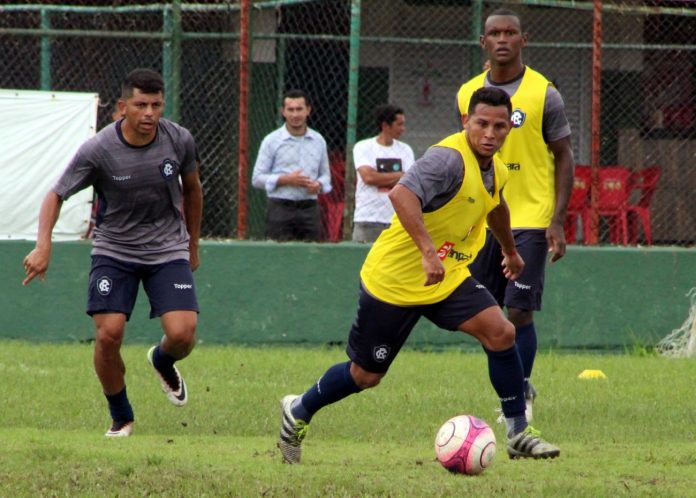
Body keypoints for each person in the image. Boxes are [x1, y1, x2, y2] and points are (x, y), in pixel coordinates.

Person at [277, 87, 561, 464]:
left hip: (447, 276)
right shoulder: (446, 159)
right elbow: (401, 195)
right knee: (366, 375)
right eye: (481, 124)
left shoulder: (497, 166)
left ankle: (517, 431)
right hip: (395, 281)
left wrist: (510, 251)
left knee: (502, 332)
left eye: (498, 126)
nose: (490, 133)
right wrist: (428, 253)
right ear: (465, 122)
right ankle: (299, 410)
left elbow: (496, 205)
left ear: (509, 127)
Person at [22, 68, 203, 437]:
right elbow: (56, 194)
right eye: (140, 105)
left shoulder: (179, 140)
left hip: (167, 247)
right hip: (114, 250)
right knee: (108, 335)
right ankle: (121, 416)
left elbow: (193, 190)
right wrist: (44, 245)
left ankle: (162, 359)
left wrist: (192, 243)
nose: (149, 113)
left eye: (156, 104)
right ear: (123, 106)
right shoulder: (99, 149)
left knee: (183, 334)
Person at [456, 8, 574, 421]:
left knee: (519, 310)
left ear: (524, 41)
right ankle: (516, 381)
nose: (502, 39)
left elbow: (564, 156)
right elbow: (466, 156)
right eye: (494, 33)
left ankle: (519, 395)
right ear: (483, 42)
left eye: (511, 32)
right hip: (486, 217)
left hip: (531, 217)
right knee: (485, 314)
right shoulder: (468, 93)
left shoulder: (545, 94)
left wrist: (557, 219)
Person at [252, 89, 332, 242]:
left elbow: (326, 176)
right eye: (291, 110)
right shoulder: (271, 141)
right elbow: (257, 178)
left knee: (311, 255)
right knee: (278, 256)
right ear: (283, 112)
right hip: (280, 207)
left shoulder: (318, 140)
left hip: (310, 207)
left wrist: (318, 184)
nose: (295, 115)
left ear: (308, 110)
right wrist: (286, 180)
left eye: (299, 109)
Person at [352, 104, 415, 243]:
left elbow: (410, 181)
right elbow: (368, 177)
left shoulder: (406, 150)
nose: (403, 129)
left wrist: (380, 177)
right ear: (386, 126)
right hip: (368, 218)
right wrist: (399, 176)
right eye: (399, 124)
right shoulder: (363, 147)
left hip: (397, 219)